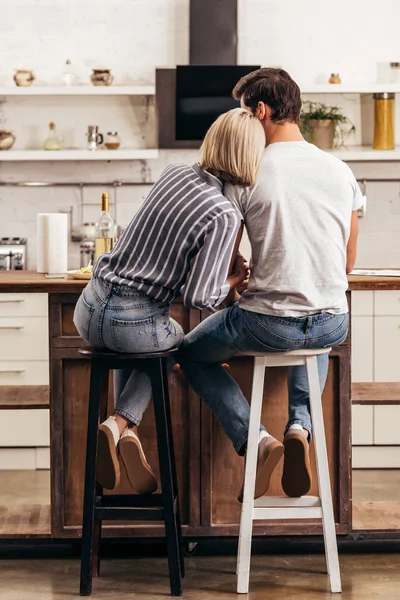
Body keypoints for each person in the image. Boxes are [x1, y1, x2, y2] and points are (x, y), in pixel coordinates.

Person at [178, 67, 363, 501]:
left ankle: (257, 441)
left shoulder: (246, 172)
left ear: (260, 110)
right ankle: (300, 426)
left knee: (189, 354)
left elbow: (223, 254)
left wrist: (240, 276)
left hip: (267, 323)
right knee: (314, 332)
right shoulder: (339, 170)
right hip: (334, 320)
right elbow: (348, 261)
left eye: (244, 112)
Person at [73, 107, 265, 493]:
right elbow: (199, 297)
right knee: (177, 343)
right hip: (132, 323)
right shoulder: (223, 214)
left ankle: (125, 435)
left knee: (144, 346)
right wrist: (234, 278)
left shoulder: (174, 172)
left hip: (89, 307)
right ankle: (117, 424)